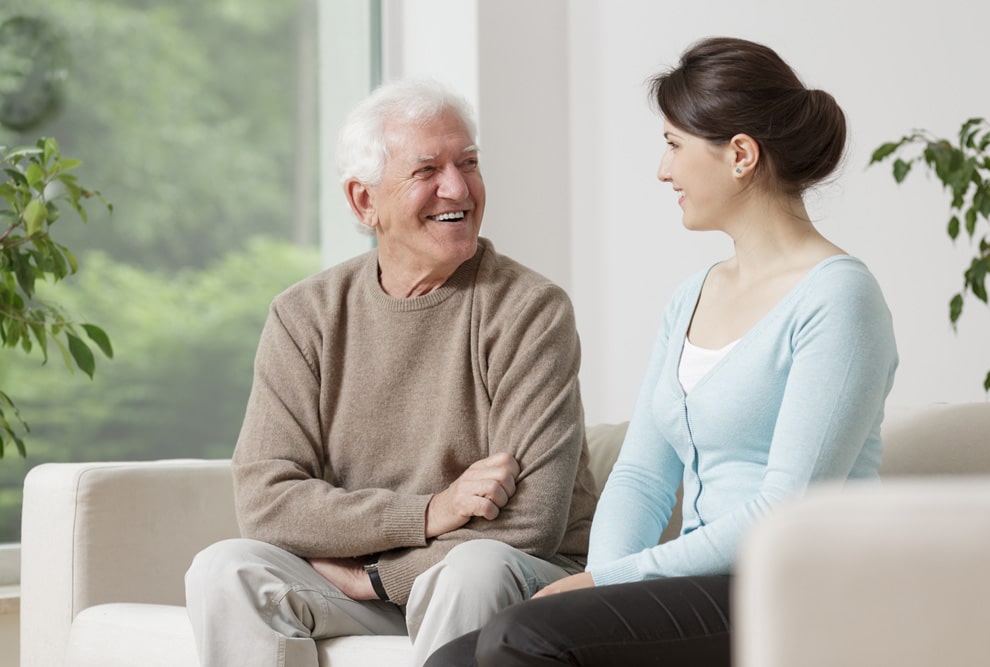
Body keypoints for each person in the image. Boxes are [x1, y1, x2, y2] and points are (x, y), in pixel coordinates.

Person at [425, 36, 898, 667]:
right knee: (455, 659)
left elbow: (785, 510)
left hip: (790, 588)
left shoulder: (839, 298)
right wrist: (596, 595)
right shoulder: (691, 297)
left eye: (674, 145)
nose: (662, 169)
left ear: (740, 156)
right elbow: (644, 478)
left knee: (523, 638)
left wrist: (603, 588)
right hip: (695, 587)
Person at [184, 78, 598, 667]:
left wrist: (373, 578)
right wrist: (429, 511)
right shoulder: (305, 315)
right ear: (363, 202)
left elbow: (527, 525)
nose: (457, 187)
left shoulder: (529, 309)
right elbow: (267, 503)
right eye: (427, 169)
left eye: (469, 163)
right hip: (384, 570)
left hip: (511, 576)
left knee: (473, 571)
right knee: (227, 568)